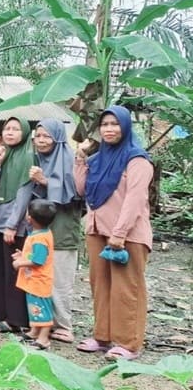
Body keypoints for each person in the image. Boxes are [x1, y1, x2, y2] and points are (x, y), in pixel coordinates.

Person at [73, 106, 152, 360]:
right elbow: (82, 190)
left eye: (115, 124)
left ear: (126, 127)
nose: (109, 129)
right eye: (105, 124)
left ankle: (128, 343)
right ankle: (103, 337)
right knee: (101, 285)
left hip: (127, 234)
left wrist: (120, 233)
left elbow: (135, 199)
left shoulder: (137, 159)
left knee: (127, 288)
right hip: (97, 230)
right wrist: (80, 158)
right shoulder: (97, 159)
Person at [29, 118, 82, 343]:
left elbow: (75, 192)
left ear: (58, 137)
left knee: (60, 279)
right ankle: (44, 324)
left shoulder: (69, 159)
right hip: (41, 230)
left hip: (63, 228)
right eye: (38, 136)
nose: (41, 140)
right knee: (41, 278)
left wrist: (45, 181)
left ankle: (64, 325)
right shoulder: (38, 159)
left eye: (46, 136)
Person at [0, 115, 33, 333]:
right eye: (7, 129)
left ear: (24, 133)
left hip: (13, 224)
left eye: (15, 129)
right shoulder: (6, 154)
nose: (10, 133)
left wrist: (13, 225)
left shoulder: (28, 157)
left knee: (13, 271)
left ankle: (15, 319)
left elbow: (24, 193)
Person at [12, 200, 59, 350]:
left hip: (39, 281)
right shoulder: (41, 233)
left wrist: (21, 263)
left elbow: (38, 260)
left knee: (42, 309)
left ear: (29, 218)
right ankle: (34, 332)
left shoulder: (39, 238)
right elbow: (35, 255)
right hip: (33, 281)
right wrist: (23, 255)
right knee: (34, 307)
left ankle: (43, 338)